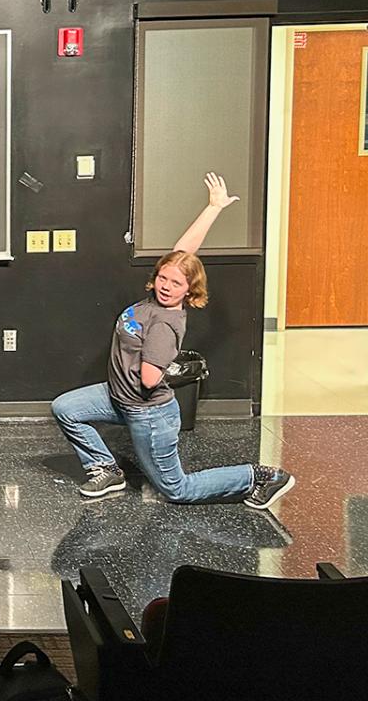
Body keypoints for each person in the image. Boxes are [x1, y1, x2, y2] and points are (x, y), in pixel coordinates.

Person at [51, 174, 294, 509]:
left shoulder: (164, 324)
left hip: (148, 414)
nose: (166, 285)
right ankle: (106, 468)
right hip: (119, 398)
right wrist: (213, 208)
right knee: (66, 408)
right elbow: (183, 253)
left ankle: (260, 476)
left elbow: (150, 379)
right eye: (163, 278)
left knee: (177, 489)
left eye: (175, 283)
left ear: (189, 290)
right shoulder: (155, 301)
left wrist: (157, 364)